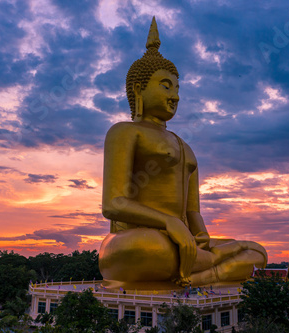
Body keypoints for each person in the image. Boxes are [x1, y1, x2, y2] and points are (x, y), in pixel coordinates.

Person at [99, 17, 267, 288]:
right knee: (150, 249)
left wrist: (199, 235)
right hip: (138, 240)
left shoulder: (185, 148)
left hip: (182, 241)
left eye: (177, 89)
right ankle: (208, 265)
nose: (175, 96)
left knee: (258, 252)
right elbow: (113, 204)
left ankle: (199, 272)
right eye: (166, 86)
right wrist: (168, 223)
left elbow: (193, 212)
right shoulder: (124, 133)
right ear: (138, 89)